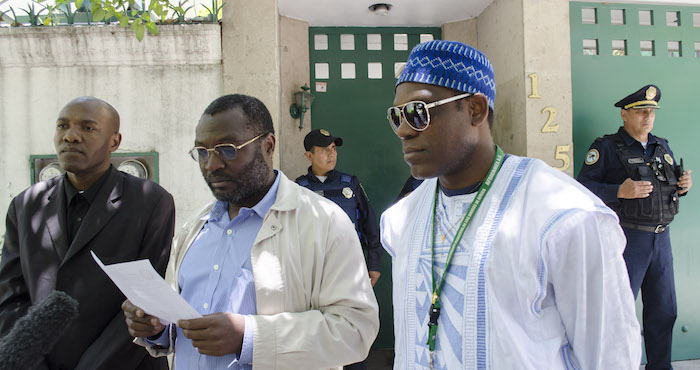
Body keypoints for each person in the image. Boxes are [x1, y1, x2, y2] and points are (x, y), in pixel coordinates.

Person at [381, 40, 642, 369]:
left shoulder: (565, 217)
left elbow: (611, 355)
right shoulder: (401, 221)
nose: (404, 130)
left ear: (475, 109)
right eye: (396, 116)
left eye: (418, 113)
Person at [123, 94, 379, 369]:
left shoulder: (324, 222)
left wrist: (249, 337)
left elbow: (355, 331)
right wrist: (156, 327)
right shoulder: (195, 228)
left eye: (228, 149)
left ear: (268, 146)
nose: (212, 164)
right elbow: (180, 329)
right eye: (202, 152)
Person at [0, 96, 175, 369]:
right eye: (62, 126)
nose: (70, 136)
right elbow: (11, 297)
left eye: (87, 128)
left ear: (114, 142)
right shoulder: (26, 205)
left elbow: (145, 301)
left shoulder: (150, 201)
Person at [577, 84, 692, 370]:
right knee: (618, 312)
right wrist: (619, 191)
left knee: (664, 311)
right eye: (641, 111)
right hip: (627, 239)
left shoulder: (661, 145)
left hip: (661, 240)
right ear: (624, 114)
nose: (648, 117)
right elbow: (582, 187)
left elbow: (667, 187)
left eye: (651, 112)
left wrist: (682, 187)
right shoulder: (606, 146)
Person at [295, 129, 382, 288]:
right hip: (314, 272)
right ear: (309, 156)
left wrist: (374, 263)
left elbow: (369, 223)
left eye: (333, 148)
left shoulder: (350, 184)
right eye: (324, 150)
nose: (331, 154)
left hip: (351, 266)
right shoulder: (299, 189)